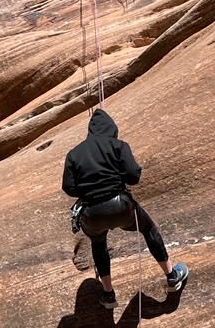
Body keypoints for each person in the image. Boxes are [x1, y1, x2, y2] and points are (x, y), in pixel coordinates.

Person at [62, 109, 188, 308]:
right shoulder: (118, 145)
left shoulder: (74, 154)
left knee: (98, 243)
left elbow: (69, 187)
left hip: (92, 214)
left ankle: (109, 294)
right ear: (112, 129)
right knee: (148, 229)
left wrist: (90, 190)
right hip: (120, 205)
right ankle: (172, 276)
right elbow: (133, 177)